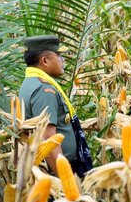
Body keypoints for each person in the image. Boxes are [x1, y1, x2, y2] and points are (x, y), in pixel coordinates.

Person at [19, 35, 92, 177]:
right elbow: (49, 142)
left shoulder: (30, 83)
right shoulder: (44, 90)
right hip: (53, 173)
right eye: (58, 55)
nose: (62, 60)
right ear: (45, 60)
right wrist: (65, 181)